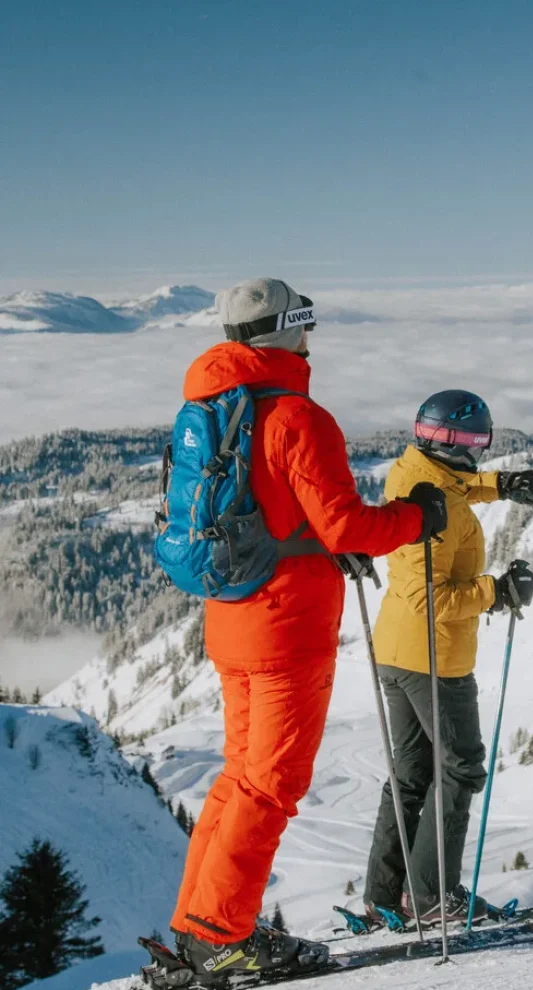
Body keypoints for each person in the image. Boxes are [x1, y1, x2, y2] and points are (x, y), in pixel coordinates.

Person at [169, 278, 447, 980]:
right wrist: (418, 517)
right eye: (306, 322)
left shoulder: (210, 403)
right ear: (287, 329)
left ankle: (200, 924)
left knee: (240, 777)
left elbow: (276, 514)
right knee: (272, 784)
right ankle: (222, 934)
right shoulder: (297, 416)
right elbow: (346, 524)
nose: (311, 336)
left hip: (230, 613)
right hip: (286, 624)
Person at [363, 389, 533, 924]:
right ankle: (430, 897)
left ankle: (384, 895)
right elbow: (430, 596)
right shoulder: (431, 501)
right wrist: (497, 592)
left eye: (478, 441)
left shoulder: (415, 474)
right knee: (460, 770)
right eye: (467, 440)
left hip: (398, 652)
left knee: (413, 772)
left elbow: (452, 487)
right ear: (440, 439)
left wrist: (501, 485)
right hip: (433, 660)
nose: (474, 451)